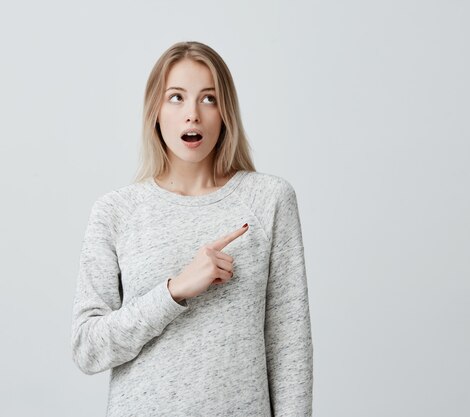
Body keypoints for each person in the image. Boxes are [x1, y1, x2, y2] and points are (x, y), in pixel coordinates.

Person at [70, 41, 313, 417]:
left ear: (226, 112)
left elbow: (289, 345)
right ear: (155, 110)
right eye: (176, 98)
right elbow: (88, 349)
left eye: (209, 99)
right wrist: (174, 291)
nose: (193, 115)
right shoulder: (116, 212)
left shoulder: (269, 199)